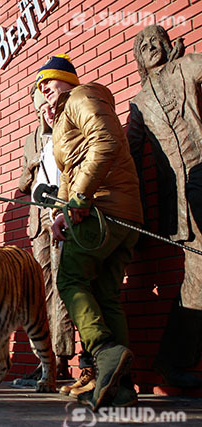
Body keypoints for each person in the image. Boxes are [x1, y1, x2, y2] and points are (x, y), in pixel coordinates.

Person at [36, 54, 144, 409]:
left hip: (104, 211)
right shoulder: (66, 116)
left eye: (49, 81)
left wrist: (81, 198)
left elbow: (106, 142)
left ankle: (104, 350)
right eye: (40, 87)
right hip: (117, 212)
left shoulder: (83, 95)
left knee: (70, 280)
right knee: (106, 294)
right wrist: (60, 214)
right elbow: (71, 171)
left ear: (68, 79)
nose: (44, 90)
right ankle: (121, 388)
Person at [127, 25, 202, 389]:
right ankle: (173, 360)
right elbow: (129, 158)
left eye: (157, 39)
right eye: (142, 44)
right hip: (181, 200)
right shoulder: (138, 104)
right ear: (138, 60)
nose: (151, 45)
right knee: (198, 276)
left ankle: (172, 360)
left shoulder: (185, 67)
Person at [17, 85, 77, 385]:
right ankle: (45, 361)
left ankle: (61, 360)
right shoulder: (32, 138)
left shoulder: (70, 127)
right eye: (42, 109)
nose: (48, 112)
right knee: (41, 291)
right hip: (37, 220)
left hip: (59, 212)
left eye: (50, 106)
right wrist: (31, 167)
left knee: (62, 287)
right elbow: (21, 184)